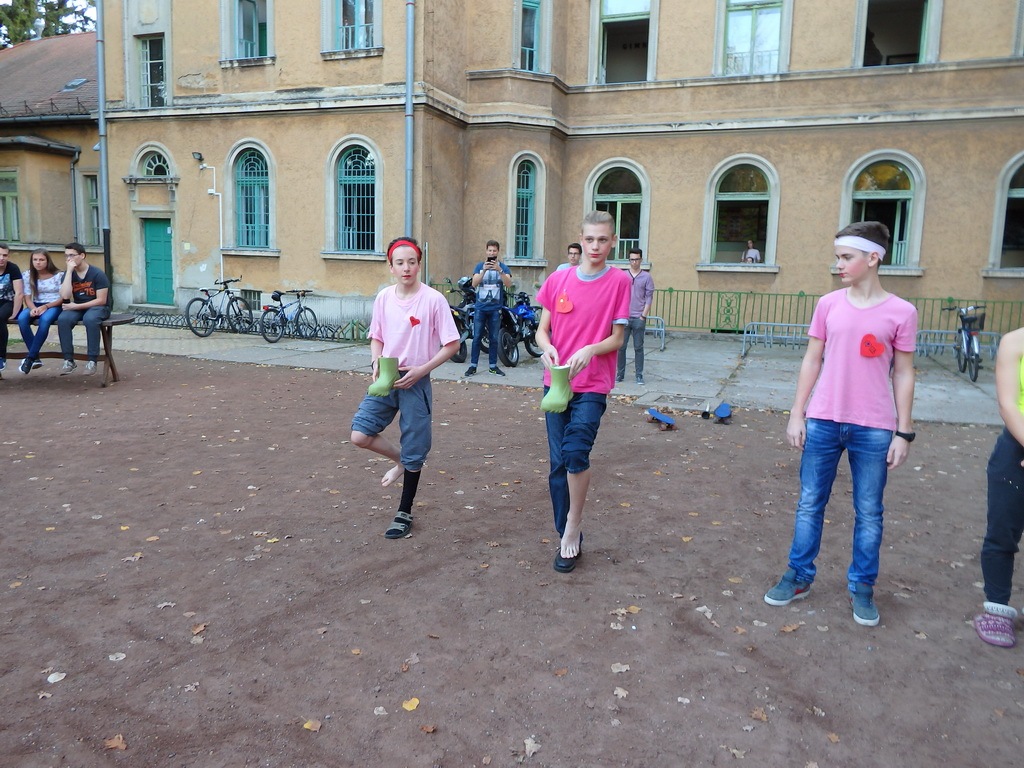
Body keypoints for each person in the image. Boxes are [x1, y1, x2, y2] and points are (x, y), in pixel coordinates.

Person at [763, 221, 917, 627]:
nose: (839, 265)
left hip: (874, 427)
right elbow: (812, 359)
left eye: (847, 257)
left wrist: (903, 431)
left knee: (869, 511)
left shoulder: (902, 312)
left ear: (873, 258)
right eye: (838, 257)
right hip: (823, 420)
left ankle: (862, 587)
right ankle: (798, 575)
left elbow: (904, 372)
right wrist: (797, 413)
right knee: (809, 502)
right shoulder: (829, 304)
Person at [535, 211, 631, 573]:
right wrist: (547, 348)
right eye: (590, 239)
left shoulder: (619, 281)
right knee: (558, 464)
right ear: (580, 238)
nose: (595, 246)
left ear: (613, 242)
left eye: (603, 240)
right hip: (557, 383)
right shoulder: (559, 279)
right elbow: (542, 331)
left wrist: (590, 349)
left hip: (593, 384)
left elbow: (617, 338)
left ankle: (573, 524)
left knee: (576, 452)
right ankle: (565, 533)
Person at [350, 237, 460, 539]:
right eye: (399, 262)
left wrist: (422, 370)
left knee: (415, 445)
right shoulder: (384, 297)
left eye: (411, 262)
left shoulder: (433, 300)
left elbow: (452, 344)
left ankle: (404, 511)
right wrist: (375, 362)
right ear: (391, 267)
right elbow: (377, 336)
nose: (406, 267)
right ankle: (399, 460)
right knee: (360, 434)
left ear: (419, 265)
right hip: (386, 376)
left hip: (416, 378)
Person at [972, 327, 1024, 648]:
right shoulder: (1014, 342)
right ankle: (997, 607)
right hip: (1015, 449)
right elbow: (1007, 405)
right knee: (1002, 531)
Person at [57, 242, 111, 376]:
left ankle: (92, 360)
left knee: (90, 319)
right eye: (66, 256)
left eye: (72, 255)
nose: (69, 259)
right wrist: (69, 272)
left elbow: (101, 300)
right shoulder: (68, 274)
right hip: (79, 306)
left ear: (82, 255)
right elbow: (65, 296)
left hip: (98, 307)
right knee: (63, 319)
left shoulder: (97, 274)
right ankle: (68, 360)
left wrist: (76, 306)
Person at [465, 239, 512, 377]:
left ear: (498, 252)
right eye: (490, 250)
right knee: (477, 338)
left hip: (495, 309)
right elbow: (474, 283)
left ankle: (493, 366)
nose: (492, 253)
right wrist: (484, 270)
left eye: (494, 251)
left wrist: (499, 270)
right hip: (480, 307)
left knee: (494, 338)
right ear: (486, 251)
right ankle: (473, 366)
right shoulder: (480, 266)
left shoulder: (503, 267)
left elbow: (509, 284)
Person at [16, 248, 64, 374]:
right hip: (36, 304)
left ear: (48, 261)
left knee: (45, 320)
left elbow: (63, 298)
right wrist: (33, 309)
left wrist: (46, 307)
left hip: (54, 305)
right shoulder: (28, 275)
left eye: (41, 260)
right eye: (35, 260)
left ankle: (30, 358)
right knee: (22, 318)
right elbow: (27, 297)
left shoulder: (59, 275)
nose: (38, 262)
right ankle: (35, 357)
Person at [616, 247, 655, 385]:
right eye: (632, 260)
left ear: (641, 260)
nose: (634, 262)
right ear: (629, 260)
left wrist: (643, 316)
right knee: (621, 347)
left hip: (639, 317)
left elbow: (649, 297)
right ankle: (620, 374)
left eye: (637, 259)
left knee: (638, 348)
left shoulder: (647, 277)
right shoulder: (623, 276)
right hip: (624, 318)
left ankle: (639, 375)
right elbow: (618, 296)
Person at [0, 242, 25, 373]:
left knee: (0, 317)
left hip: (10, 302)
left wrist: (15, 313)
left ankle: (1, 357)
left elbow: (19, 293)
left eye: (5, 255)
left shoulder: (13, 268)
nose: (2, 258)